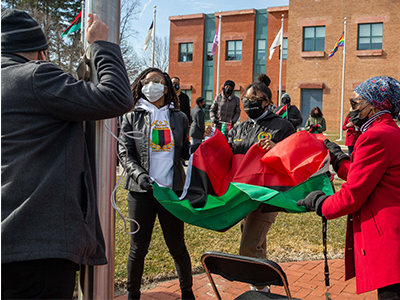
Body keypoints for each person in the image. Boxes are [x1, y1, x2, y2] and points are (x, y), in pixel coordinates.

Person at [1, 10, 134, 299]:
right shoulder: (35, 76)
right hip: (39, 245)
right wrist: (101, 45)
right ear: (39, 51)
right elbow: (116, 96)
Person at [297, 76, 400, 299]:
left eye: (356, 103)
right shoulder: (391, 132)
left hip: (390, 240)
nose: (351, 109)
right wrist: (340, 160)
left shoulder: (375, 136)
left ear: (373, 105)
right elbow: (369, 176)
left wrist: (321, 204)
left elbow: (353, 194)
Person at [205, 74, 295, 292]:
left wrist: (276, 148)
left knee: (247, 247)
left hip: (267, 195)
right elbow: (226, 152)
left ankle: (261, 289)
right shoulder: (240, 127)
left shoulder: (282, 127)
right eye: (245, 98)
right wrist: (213, 139)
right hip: (242, 195)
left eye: (255, 98)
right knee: (256, 243)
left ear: (268, 102)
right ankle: (264, 291)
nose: (248, 102)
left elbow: (294, 158)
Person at [118, 68, 195, 300]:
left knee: (177, 246)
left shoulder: (179, 117)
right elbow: (124, 152)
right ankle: (133, 294)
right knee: (137, 249)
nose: (150, 85)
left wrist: (196, 150)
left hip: (171, 192)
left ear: (166, 87)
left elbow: (182, 151)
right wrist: (139, 176)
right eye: (146, 81)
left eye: (156, 81)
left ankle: (187, 292)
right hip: (141, 192)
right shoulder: (132, 117)